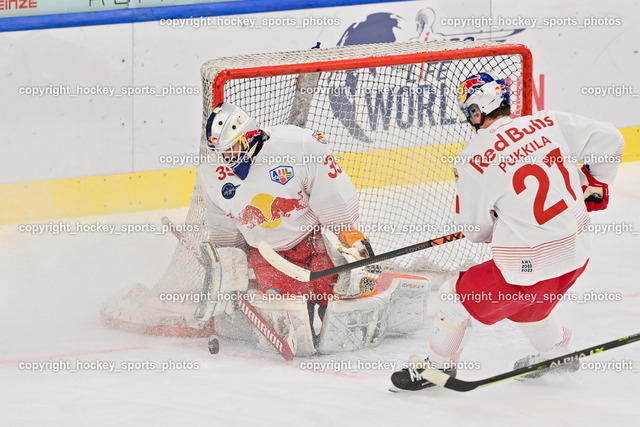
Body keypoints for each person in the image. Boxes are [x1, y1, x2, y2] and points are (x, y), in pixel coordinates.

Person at [390, 72, 625, 391]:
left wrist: (499, 223)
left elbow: (475, 231)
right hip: (575, 255)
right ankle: (558, 352)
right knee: (531, 307)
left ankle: (438, 368)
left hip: (525, 268)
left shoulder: (473, 157)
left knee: (451, 297)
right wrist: (597, 184)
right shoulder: (549, 122)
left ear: (475, 111)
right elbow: (611, 138)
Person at [199, 102, 369, 342]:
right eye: (221, 151)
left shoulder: (298, 146)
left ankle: (331, 311)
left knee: (336, 299)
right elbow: (222, 225)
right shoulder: (212, 174)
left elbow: (332, 194)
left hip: (313, 243)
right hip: (268, 255)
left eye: (233, 147)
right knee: (293, 323)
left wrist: (346, 234)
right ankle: (304, 313)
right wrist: (227, 260)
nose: (227, 158)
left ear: (249, 136)